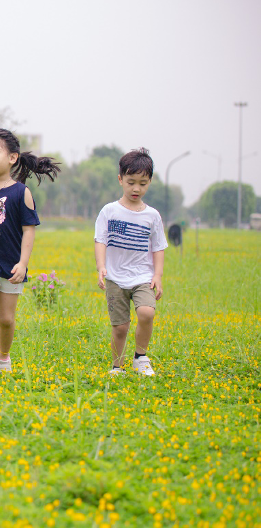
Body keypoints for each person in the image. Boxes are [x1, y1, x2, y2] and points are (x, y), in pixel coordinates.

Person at [0, 128, 60, 380]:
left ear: (13, 158)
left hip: (10, 264)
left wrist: (23, 264)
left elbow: (29, 231)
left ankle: (3, 356)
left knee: (6, 319)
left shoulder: (21, 193)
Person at [94, 148, 166, 376]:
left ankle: (140, 357)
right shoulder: (109, 211)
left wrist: (157, 275)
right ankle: (117, 367)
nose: (136, 188)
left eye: (143, 183)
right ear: (120, 180)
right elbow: (100, 240)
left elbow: (158, 246)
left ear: (150, 182)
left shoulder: (152, 215)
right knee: (120, 327)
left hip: (143, 277)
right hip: (115, 277)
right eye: (131, 182)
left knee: (147, 313)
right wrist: (101, 266)